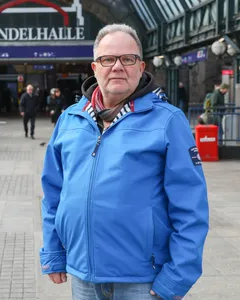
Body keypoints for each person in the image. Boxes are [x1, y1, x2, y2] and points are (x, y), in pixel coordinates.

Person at [40, 24, 209, 300]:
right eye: (108, 59)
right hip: (83, 277)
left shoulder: (168, 121)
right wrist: (53, 252)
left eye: (127, 59)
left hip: (142, 282)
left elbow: (191, 207)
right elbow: (52, 194)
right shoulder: (70, 120)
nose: (117, 66)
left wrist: (177, 277)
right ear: (95, 67)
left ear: (141, 67)